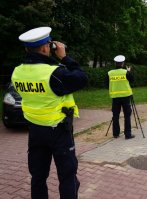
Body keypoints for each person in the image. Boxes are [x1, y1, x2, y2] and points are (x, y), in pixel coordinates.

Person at [11, 27, 87, 199]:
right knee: (67, 176)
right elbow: (82, 78)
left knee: (38, 177)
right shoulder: (54, 74)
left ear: (26, 49)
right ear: (46, 48)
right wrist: (64, 56)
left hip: (35, 130)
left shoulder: (17, 73)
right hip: (58, 130)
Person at [108, 55, 135, 140]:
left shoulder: (110, 73)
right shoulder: (126, 72)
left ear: (115, 63)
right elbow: (133, 81)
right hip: (126, 97)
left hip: (115, 97)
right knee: (127, 115)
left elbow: (106, 83)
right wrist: (129, 71)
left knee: (115, 115)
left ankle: (115, 134)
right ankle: (128, 134)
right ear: (122, 63)